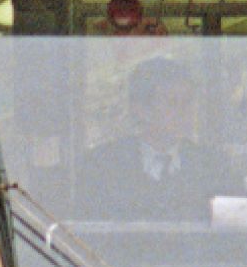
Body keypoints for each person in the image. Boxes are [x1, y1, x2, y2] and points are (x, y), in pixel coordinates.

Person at [77, 57, 228, 222]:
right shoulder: (102, 166)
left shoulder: (213, 166)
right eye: (172, 103)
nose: (184, 112)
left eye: (188, 102)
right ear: (140, 109)